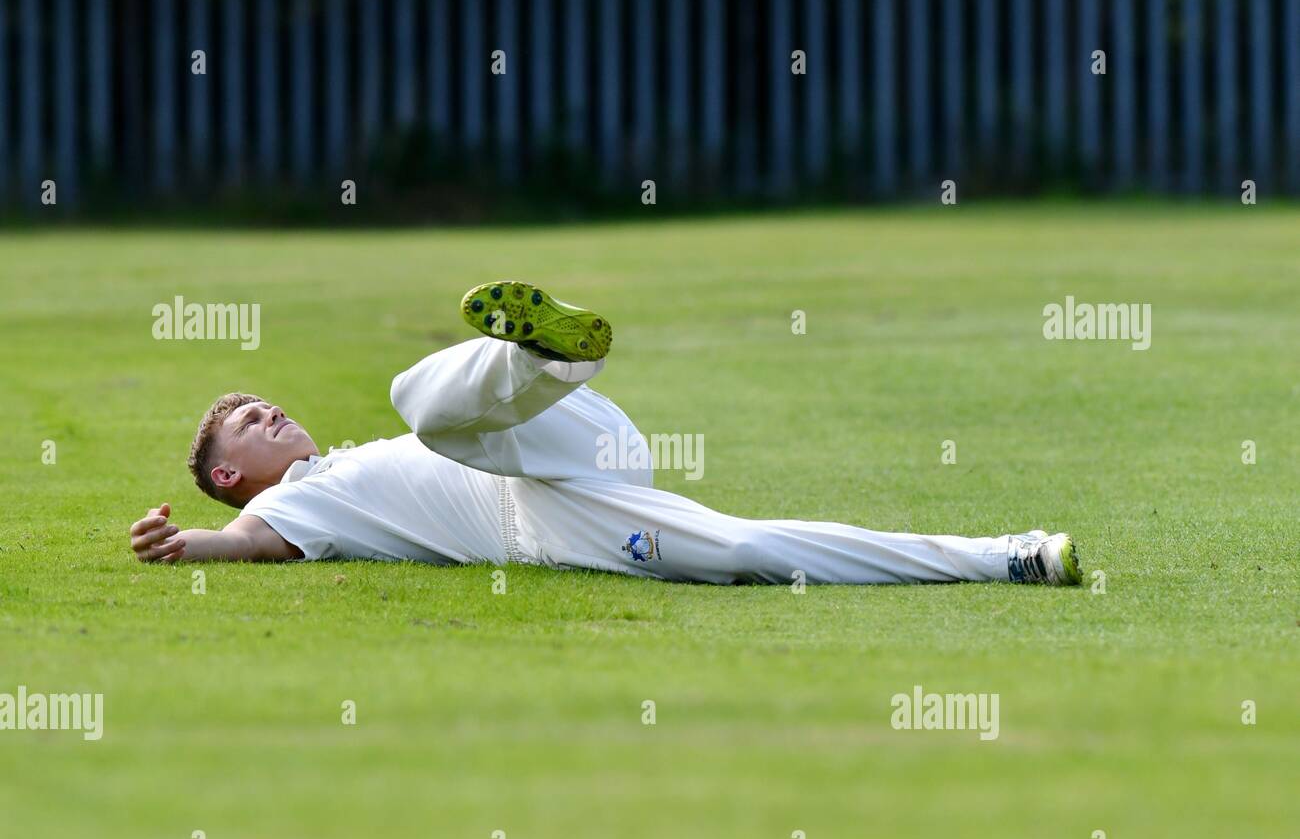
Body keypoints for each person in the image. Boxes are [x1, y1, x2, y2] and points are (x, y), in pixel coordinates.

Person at [129, 281, 1082, 586]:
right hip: (537, 520)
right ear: (228, 474)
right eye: (247, 424)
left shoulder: (352, 454)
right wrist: (189, 545)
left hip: (550, 436)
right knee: (745, 547)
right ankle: (1009, 557)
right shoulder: (298, 504)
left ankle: (553, 357)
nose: (269, 412)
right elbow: (248, 543)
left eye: (265, 401)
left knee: (416, 395)